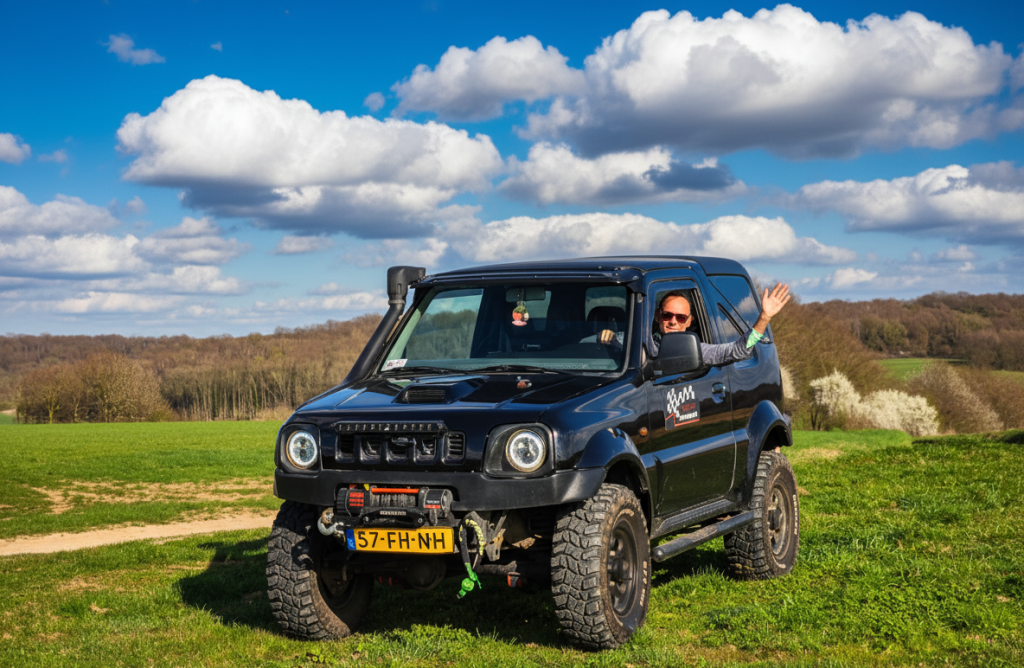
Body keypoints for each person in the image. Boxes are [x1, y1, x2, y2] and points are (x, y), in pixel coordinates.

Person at [598, 283, 791, 366]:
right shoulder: (635, 340)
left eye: (681, 318)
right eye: (667, 315)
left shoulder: (696, 349)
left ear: (689, 322)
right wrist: (609, 339)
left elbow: (737, 351)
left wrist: (764, 317)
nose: (673, 321)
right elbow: (623, 354)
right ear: (657, 315)